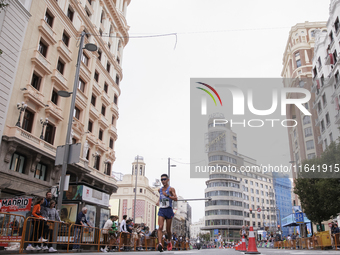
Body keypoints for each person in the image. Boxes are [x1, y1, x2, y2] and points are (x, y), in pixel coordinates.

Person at [156, 174, 177, 252]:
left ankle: (168, 242)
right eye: (161, 180)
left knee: (168, 230)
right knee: (160, 227)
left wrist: (168, 195)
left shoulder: (171, 189)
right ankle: (160, 244)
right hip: (162, 209)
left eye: (164, 179)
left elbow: (176, 198)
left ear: (168, 180)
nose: (163, 181)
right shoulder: (159, 190)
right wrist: (158, 201)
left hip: (168, 210)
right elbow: (161, 197)